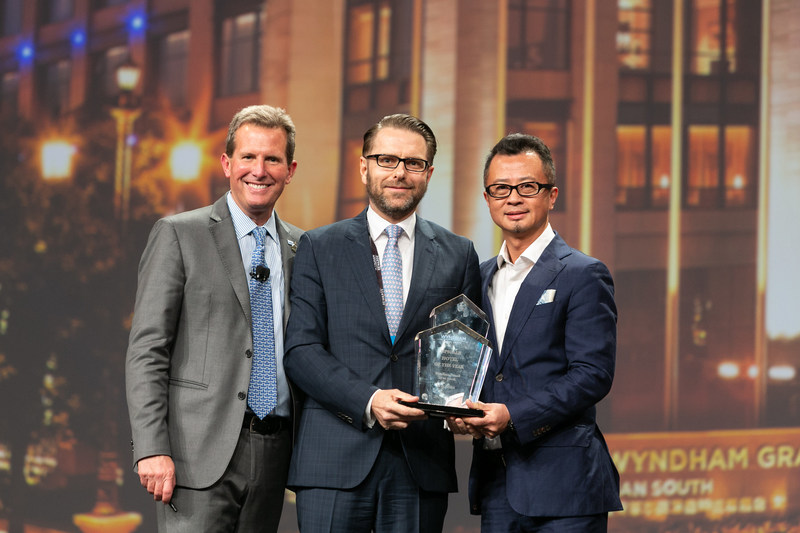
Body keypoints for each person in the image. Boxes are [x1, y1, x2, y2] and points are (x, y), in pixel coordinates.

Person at [283, 113, 481, 532]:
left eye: (413, 163)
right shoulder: (318, 246)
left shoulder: (459, 254)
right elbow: (301, 351)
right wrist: (369, 400)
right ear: (364, 166)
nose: (399, 173)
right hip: (334, 459)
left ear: (428, 173)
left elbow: (465, 352)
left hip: (421, 461)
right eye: (387, 159)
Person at [125, 105, 303, 532]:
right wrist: (151, 448)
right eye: (248, 157)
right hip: (194, 455)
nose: (258, 170)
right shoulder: (178, 234)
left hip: (276, 454)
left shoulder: (302, 247)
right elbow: (147, 351)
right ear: (226, 163)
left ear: (290, 169)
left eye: (272, 159)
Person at [449, 133, 622, 532]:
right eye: (500, 189)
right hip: (496, 482)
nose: (513, 198)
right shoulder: (478, 277)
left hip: (566, 486)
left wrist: (511, 416)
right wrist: (458, 411)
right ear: (487, 197)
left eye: (527, 187)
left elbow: (592, 374)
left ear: (552, 194)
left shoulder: (583, 274)